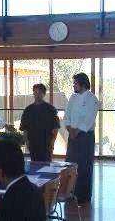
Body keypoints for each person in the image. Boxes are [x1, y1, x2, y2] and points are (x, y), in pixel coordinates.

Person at [64, 73, 99, 204]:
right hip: (72, 135)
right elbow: (67, 115)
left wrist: (77, 130)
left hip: (85, 136)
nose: (74, 85)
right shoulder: (73, 97)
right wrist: (69, 128)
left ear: (83, 84)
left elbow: (89, 118)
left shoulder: (92, 98)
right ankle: (70, 192)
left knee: (84, 165)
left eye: (75, 83)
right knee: (71, 164)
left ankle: (83, 195)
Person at [19, 83, 60, 162]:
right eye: (35, 92)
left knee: (46, 165)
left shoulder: (51, 109)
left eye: (39, 92)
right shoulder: (28, 109)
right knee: (34, 164)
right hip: (33, 142)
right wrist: (27, 141)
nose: (37, 95)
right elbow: (24, 128)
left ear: (44, 94)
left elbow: (56, 127)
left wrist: (52, 142)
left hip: (46, 143)